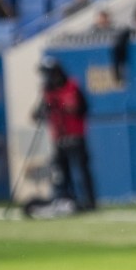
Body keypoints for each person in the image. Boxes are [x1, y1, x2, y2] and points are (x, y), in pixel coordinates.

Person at [35, 58, 96, 212]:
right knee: (61, 172)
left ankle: (89, 201)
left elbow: (82, 108)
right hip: (59, 137)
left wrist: (60, 105)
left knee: (82, 170)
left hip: (75, 135)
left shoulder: (71, 86)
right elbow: (37, 114)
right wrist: (44, 111)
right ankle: (67, 200)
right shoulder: (47, 91)